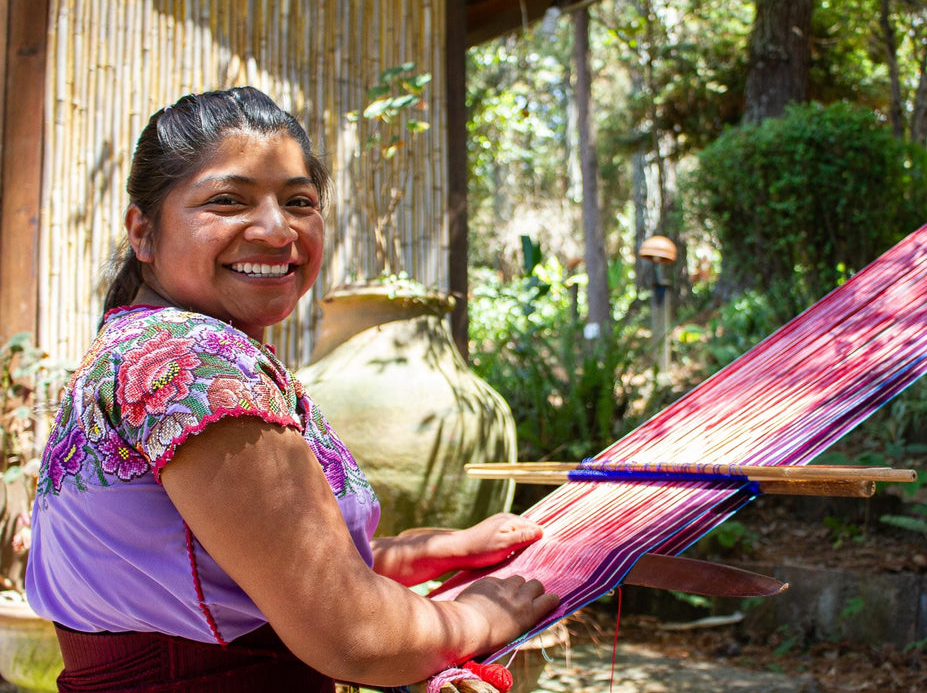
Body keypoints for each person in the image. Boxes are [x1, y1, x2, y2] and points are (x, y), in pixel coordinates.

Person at [26, 87, 559, 692]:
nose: (278, 231)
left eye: (299, 202)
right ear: (143, 233)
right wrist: (478, 617)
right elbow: (353, 632)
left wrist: (434, 552)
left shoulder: (144, 346)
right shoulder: (193, 366)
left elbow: (257, 566)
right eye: (228, 200)